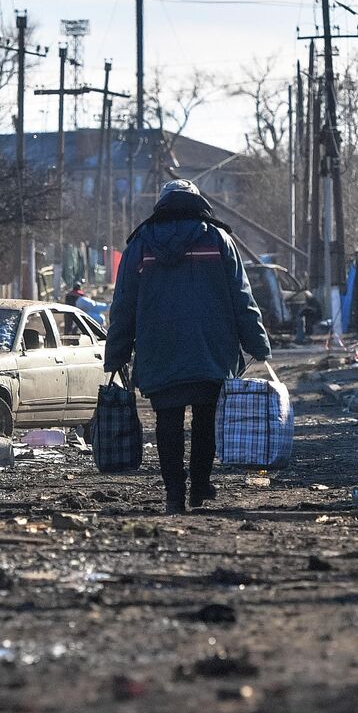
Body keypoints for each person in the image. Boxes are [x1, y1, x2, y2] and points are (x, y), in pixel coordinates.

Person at [103, 180, 270, 514]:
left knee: (168, 422)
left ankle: (174, 497)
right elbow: (242, 297)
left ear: (162, 205)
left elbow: (123, 303)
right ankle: (199, 488)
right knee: (206, 421)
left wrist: (117, 352)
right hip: (211, 348)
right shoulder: (219, 239)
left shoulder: (140, 244)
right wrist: (257, 342)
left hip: (158, 349)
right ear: (198, 203)